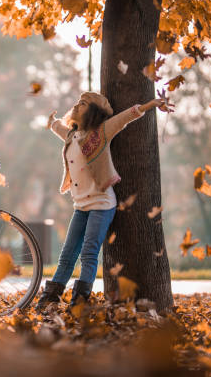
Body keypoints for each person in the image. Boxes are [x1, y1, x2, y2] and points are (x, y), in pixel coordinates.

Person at [36, 93, 164, 309]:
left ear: (93, 111)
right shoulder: (72, 136)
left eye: (83, 104)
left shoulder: (101, 133)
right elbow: (58, 128)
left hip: (102, 203)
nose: (77, 106)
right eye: (77, 103)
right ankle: (51, 296)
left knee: (88, 252)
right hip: (80, 206)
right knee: (67, 254)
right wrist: (52, 123)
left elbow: (124, 118)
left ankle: (80, 299)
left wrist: (150, 105)